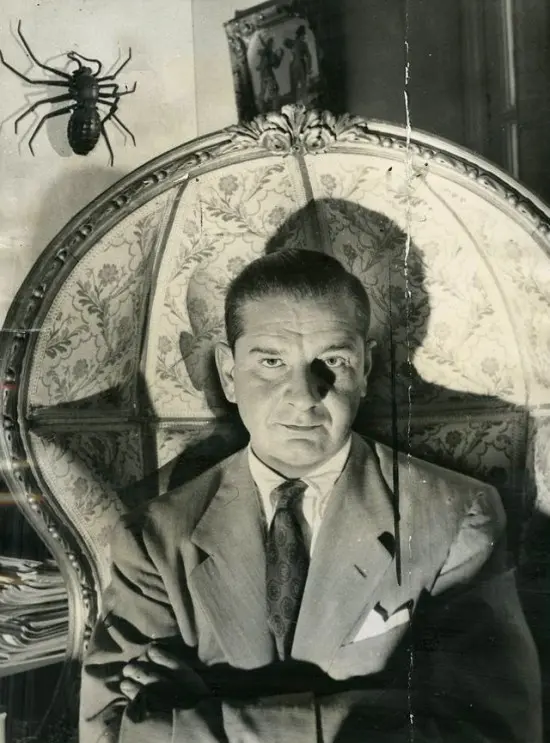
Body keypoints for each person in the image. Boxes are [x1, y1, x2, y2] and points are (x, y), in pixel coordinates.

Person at [79, 248, 542, 743]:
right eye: (271, 361)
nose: (303, 396)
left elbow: (489, 730)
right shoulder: (154, 537)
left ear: (365, 370)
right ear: (230, 375)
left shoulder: (456, 517)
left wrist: (207, 709)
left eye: (333, 361)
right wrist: (365, 710)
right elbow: (112, 730)